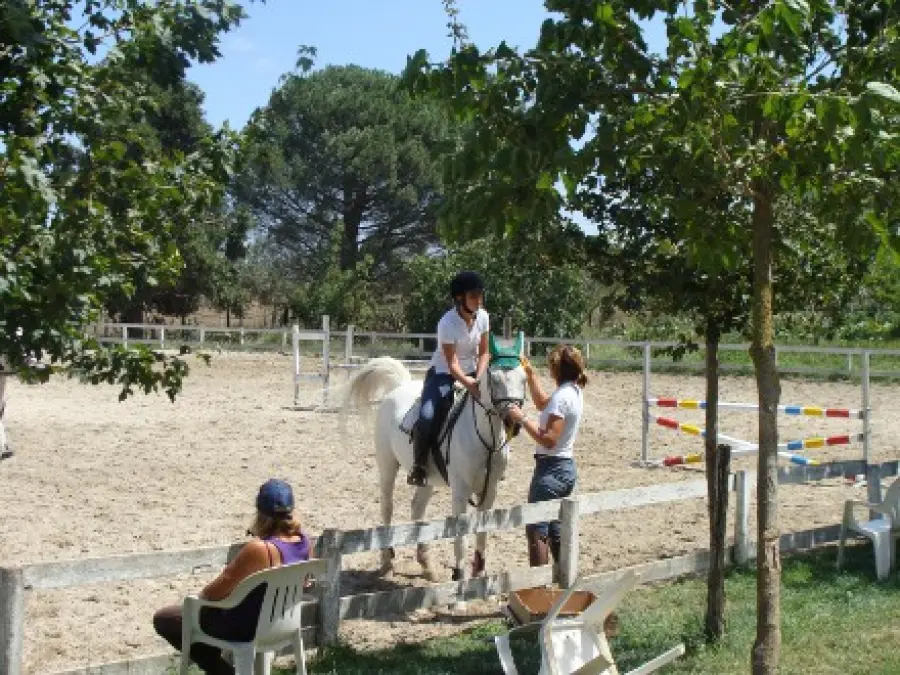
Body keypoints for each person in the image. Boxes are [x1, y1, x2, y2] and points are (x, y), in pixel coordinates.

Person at [153, 479, 311, 675]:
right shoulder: (304, 541)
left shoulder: (260, 549)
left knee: (166, 618)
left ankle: (223, 672)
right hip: (283, 624)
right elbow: (305, 582)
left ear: (260, 513)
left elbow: (213, 593)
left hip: (248, 628)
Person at [506, 345, 587, 568]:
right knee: (555, 528)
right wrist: (531, 375)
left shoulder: (562, 397)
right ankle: (565, 580)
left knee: (536, 529)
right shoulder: (572, 391)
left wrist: (521, 418)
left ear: (556, 370)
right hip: (564, 468)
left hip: (550, 470)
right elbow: (543, 404)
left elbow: (549, 439)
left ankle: (538, 590)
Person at [407, 270, 490, 486]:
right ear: (460, 298)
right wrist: (469, 383)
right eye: (473, 296)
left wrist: (479, 378)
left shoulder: (483, 316)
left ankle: (495, 459)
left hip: (473, 370)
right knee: (427, 416)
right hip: (444, 373)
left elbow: (485, 353)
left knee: (498, 402)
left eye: (480, 295)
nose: (479, 300)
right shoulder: (447, 323)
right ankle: (419, 466)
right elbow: (452, 364)